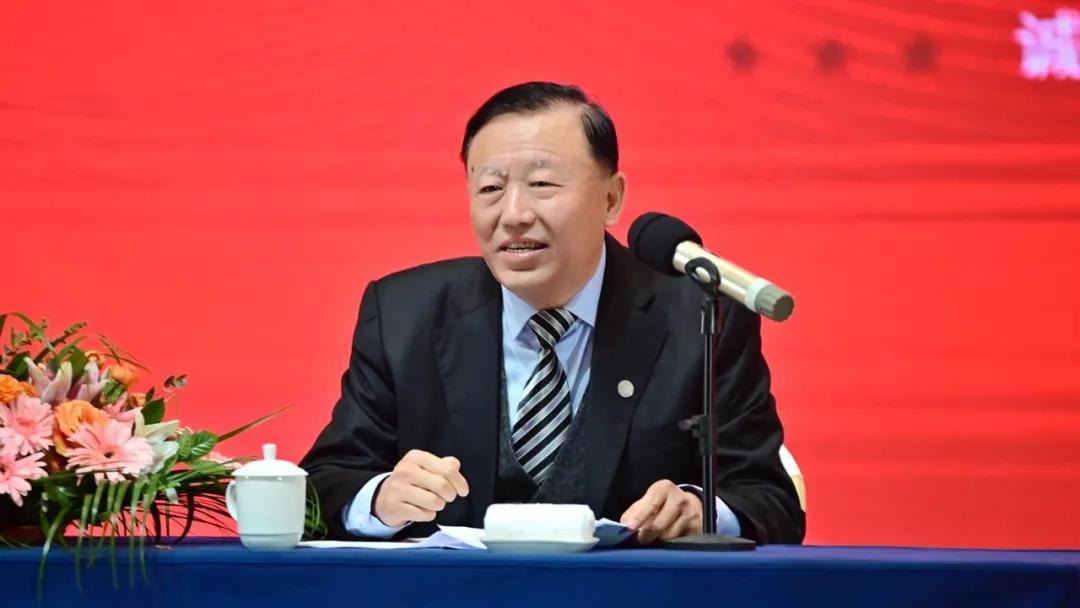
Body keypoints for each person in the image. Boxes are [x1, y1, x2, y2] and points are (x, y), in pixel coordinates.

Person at [300, 82, 804, 545]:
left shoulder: (699, 317)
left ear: (611, 199)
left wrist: (699, 510)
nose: (514, 214)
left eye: (542, 184)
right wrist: (380, 499)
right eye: (490, 189)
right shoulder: (403, 314)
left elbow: (769, 499)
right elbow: (325, 484)